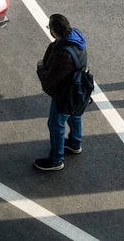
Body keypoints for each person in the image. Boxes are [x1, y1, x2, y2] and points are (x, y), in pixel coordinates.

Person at [34, 13, 87, 171]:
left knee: (56, 123)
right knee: (74, 115)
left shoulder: (63, 54)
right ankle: (75, 143)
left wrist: (41, 68)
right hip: (79, 88)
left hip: (65, 93)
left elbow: (50, 80)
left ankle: (56, 160)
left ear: (54, 31)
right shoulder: (77, 36)